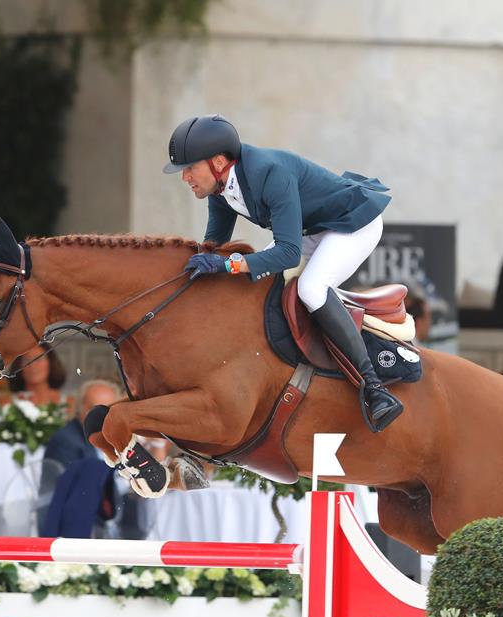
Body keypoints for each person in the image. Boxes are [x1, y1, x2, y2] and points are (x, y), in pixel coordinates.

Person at [163, 114, 401, 432]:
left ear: (218, 161)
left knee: (311, 289)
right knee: (261, 286)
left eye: (189, 168)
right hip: (309, 230)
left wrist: (229, 264)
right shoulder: (220, 190)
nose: (185, 177)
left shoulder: (269, 173)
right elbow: (212, 248)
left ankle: (375, 389)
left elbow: (287, 254)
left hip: (351, 223)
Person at [44, 379, 120, 471]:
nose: (102, 416)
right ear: (80, 407)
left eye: (108, 410)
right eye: (94, 409)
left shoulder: (119, 436)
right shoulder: (66, 440)